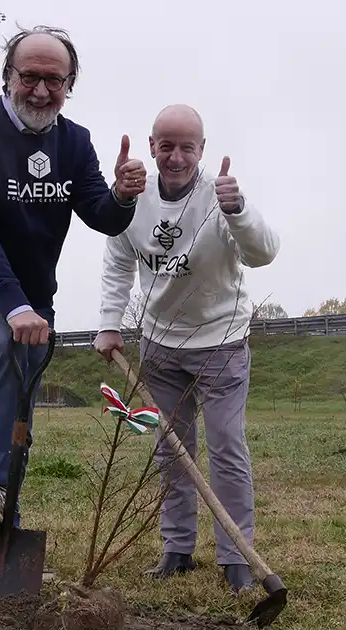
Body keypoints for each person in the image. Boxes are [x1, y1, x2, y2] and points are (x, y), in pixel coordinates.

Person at [0, 26, 147, 527]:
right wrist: (15, 307)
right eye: (30, 77)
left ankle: (5, 526)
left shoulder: (75, 142)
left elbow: (102, 216)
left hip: (32, 295)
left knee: (22, 392)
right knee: (5, 346)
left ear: (70, 84)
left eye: (56, 80)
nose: (42, 91)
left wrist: (123, 195)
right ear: (8, 77)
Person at [93, 104, 279, 591]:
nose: (176, 157)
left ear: (202, 149)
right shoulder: (135, 199)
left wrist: (238, 210)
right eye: (167, 146)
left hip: (221, 342)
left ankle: (237, 558)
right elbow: (117, 261)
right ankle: (176, 549)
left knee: (226, 449)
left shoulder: (220, 199)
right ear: (152, 147)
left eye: (187, 147)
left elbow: (263, 253)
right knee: (172, 449)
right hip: (160, 344)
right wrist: (110, 324)